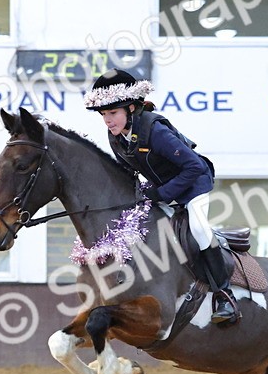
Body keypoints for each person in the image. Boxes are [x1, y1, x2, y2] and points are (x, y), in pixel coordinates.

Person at [84, 68, 237, 326]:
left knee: (199, 229)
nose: (108, 121)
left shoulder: (155, 130)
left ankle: (224, 295)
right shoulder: (116, 137)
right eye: (103, 115)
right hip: (160, 191)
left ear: (131, 108)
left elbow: (194, 167)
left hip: (193, 187)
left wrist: (162, 194)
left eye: (112, 113)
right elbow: (128, 172)